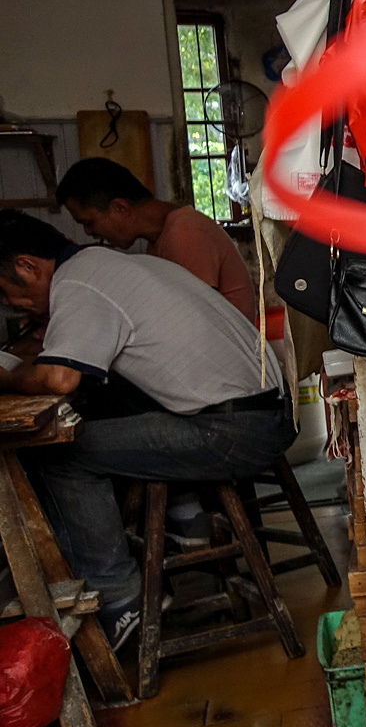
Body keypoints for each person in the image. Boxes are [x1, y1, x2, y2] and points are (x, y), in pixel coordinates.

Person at [0, 211, 292, 651]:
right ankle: (184, 517)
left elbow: (60, 380)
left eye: (7, 296)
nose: (12, 307)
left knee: (61, 453)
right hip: (266, 413)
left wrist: (6, 375)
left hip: (232, 430)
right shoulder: (118, 265)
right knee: (106, 398)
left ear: (27, 266)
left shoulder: (77, 285)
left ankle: (120, 597)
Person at [57, 157, 259, 323]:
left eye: (89, 222)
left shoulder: (185, 232)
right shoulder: (157, 242)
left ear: (120, 208)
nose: (89, 232)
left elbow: (196, 321)